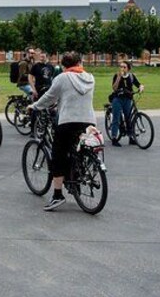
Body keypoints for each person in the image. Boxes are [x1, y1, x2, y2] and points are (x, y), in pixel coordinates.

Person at [29, 51, 96, 211]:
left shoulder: (62, 77)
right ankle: (77, 175)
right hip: (88, 121)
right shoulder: (90, 78)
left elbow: (49, 97)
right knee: (78, 149)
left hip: (68, 120)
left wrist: (35, 106)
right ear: (79, 62)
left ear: (64, 65)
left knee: (58, 155)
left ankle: (57, 195)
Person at [110, 60, 144, 146]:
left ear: (128, 68)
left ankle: (131, 137)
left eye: (124, 67)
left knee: (129, 118)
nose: (122, 68)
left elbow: (138, 84)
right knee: (116, 118)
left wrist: (141, 87)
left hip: (128, 99)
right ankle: (114, 138)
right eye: (120, 66)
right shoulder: (116, 75)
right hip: (118, 98)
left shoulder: (131, 76)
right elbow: (114, 88)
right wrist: (118, 77)